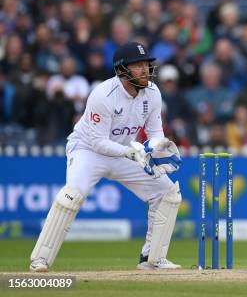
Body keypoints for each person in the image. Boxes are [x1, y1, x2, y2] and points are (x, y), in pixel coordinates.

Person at [30, 42, 182, 272]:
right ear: (122, 70)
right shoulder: (103, 95)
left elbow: (154, 133)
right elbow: (97, 142)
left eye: (146, 65)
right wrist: (132, 152)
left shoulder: (152, 93)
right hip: (88, 151)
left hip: (126, 153)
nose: (145, 70)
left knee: (168, 193)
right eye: (138, 65)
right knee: (71, 196)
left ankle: (152, 258)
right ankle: (40, 259)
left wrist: (159, 149)